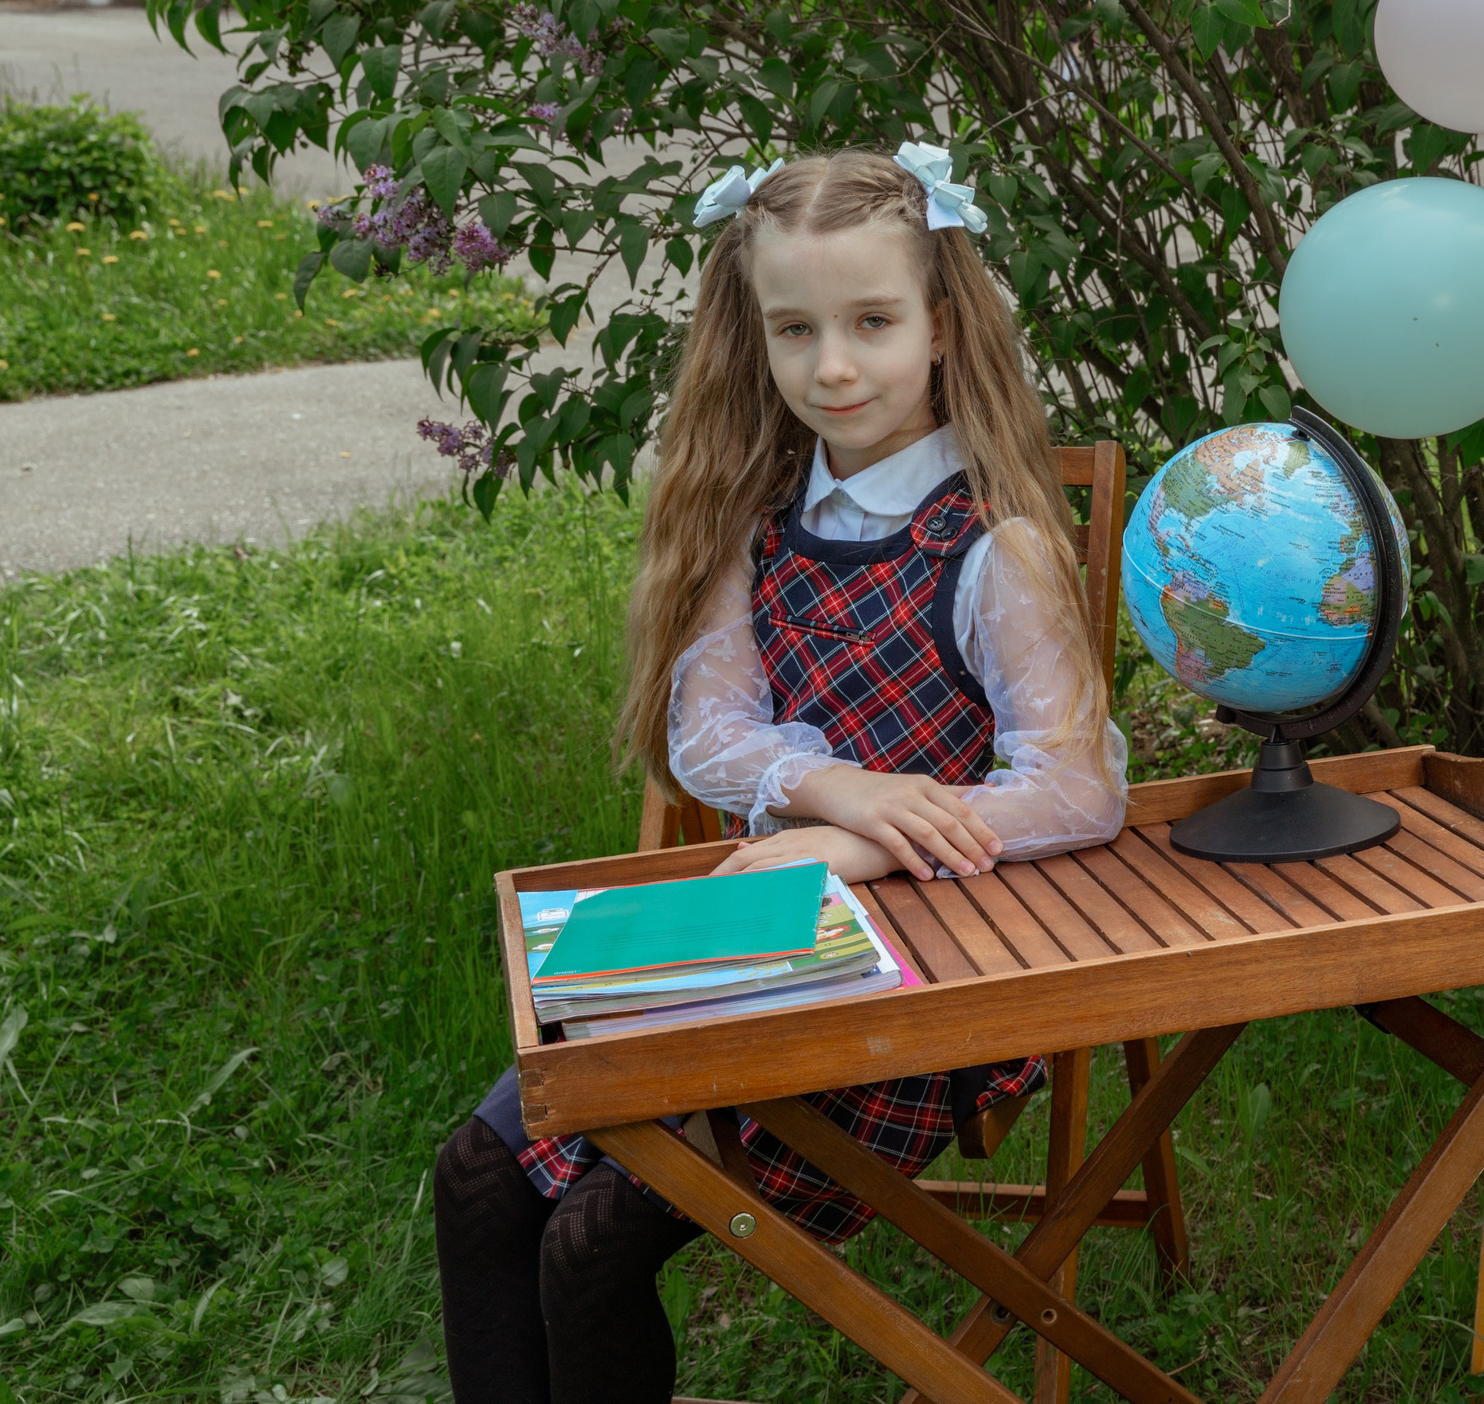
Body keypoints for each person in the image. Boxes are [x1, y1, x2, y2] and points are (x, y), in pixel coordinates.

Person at [429, 146, 1130, 1403]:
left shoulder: (994, 546)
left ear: (942, 321)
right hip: (758, 928)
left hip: (926, 992)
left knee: (589, 1247)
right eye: (794, 329)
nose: (834, 367)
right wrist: (839, 796)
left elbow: (1077, 791)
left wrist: (872, 843)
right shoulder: (745, 517)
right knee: (475, 1181)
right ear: (751, 334)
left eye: (872, 321)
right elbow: (705, 732)